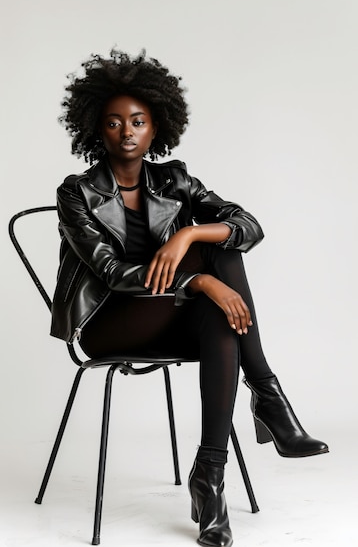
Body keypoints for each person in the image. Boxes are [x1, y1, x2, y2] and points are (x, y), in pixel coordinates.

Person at [51, 49, 328, 547]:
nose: (127, 131)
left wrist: (188, 235)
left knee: (221, 272)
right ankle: (267, 398)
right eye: (114, 123)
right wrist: (195, 280)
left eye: (138, 121)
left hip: (169, 315)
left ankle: (210, 475)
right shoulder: (77, 193)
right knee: (215, 276)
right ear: (97, 129)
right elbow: (111, 272)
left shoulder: (175, 181)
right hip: (110, 321)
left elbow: (249, 226)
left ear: (157, 127)